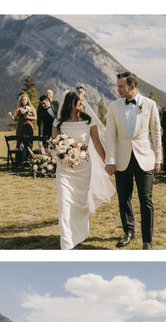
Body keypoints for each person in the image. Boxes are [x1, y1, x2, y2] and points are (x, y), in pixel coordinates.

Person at [104, 71, 161, 250]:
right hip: (122, 159)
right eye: (118, 86)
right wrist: (110, 160)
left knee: (146, 200)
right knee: (124, 198)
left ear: (132, 86)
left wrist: (158, 159)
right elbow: (110, 136)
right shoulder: (113, 107)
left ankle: (147, 241)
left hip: (145, 158)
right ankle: (128, 231)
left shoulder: (150, 105)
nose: (118, 89)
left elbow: (156, 133)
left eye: (121, 86)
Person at [53, 90, 112, 250]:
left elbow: (97, 143)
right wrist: (61, 153)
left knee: (81, 203)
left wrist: (107, 162)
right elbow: (55, 144)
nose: (82, 103)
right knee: (64, 203)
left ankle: (80, 234)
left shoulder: (89, 120)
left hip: (83, 169)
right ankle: (66, 243)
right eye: (78, 101)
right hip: (64, 170)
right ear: (69, 103)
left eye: (82, 101)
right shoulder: (58, 123)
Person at [7, 94, 37, 161]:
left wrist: (28, 117)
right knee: (19, 142)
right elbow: (14, 118)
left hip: (28, 127)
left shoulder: (32, 108)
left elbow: (35, 117)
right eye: (22, 100)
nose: (24, 101)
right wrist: (10, 116)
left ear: (27, 100)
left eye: (25, 100)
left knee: (28, 143)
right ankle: (19, 160)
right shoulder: (18, 109)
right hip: (20, 127)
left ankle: (28, 159)